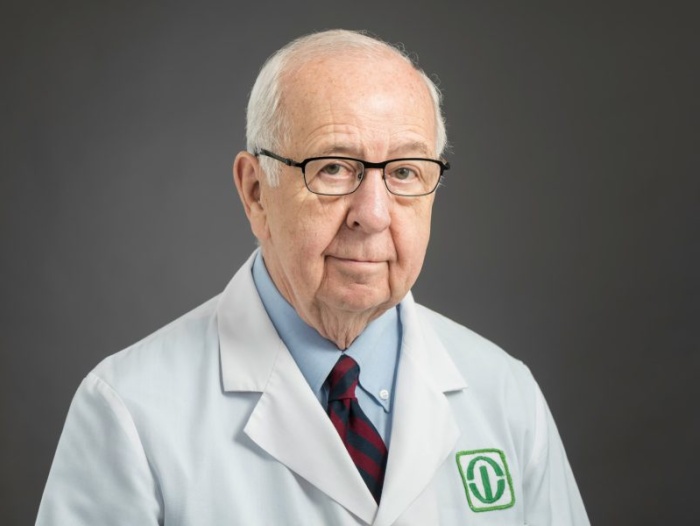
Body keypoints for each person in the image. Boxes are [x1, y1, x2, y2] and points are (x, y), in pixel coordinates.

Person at [36, 29, 590, 525]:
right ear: (256, 191)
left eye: (404, 171)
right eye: (333, 167)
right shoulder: (129, 410)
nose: (373, 214)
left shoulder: (505, 394)